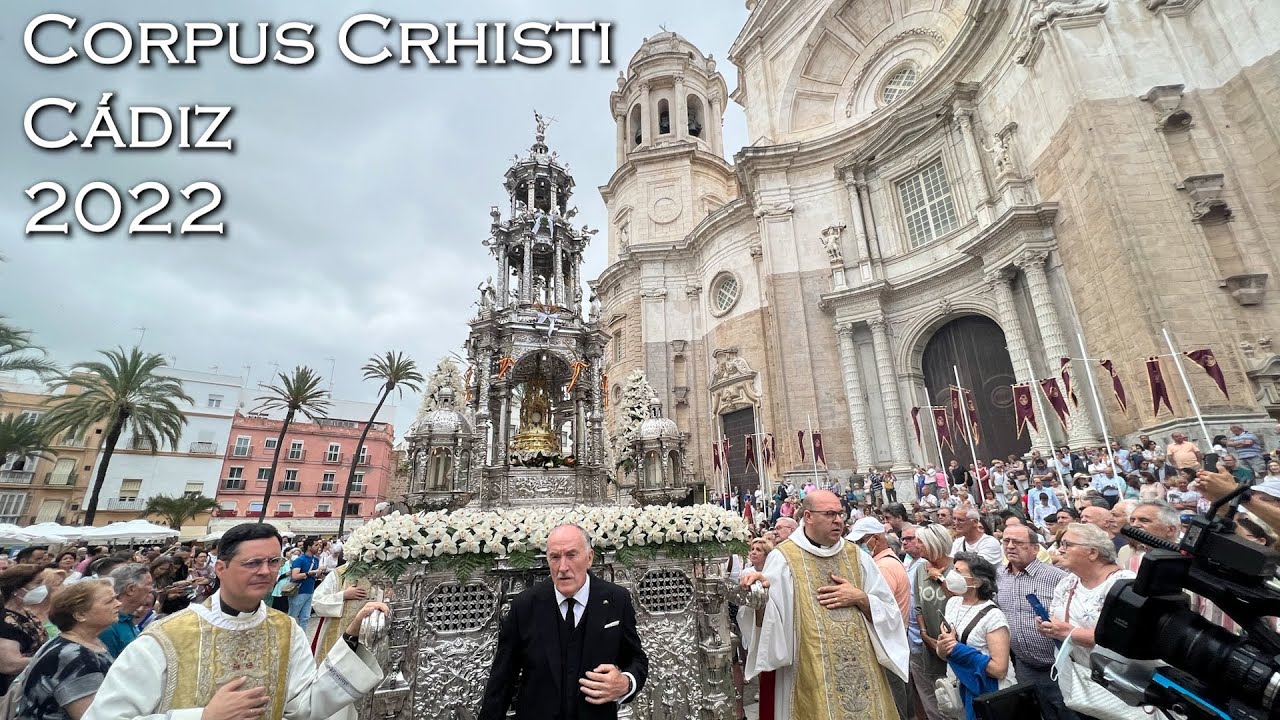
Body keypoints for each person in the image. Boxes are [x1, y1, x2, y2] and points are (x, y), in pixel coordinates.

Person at [83, 522, 388, 720]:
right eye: (253, 563)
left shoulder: (285, 630)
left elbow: (303, 707)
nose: (266, 571)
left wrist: (351, 634)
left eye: (273, 562)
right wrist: (202, 717)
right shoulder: (167, 638)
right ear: (221, 568)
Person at [738, 490, 907, 720]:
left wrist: (860, 598)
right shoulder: (785, 558)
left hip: (863, 674)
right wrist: (760, 596)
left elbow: (890, 612)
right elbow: (772, 625)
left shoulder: (856, 556)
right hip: (810, 673)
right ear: (807, 516)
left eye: (840, 514)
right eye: (829, 514)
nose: (838, 520)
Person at [479, 524, 647, 720]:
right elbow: (501, 682)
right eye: (555, 557)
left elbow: (636, 659)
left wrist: (626, 683)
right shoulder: (524, 606)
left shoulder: (617, 599)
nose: (563, 567)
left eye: (571, 555)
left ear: (589, 557)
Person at [18, 580, 119, 720]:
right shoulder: (74, 656)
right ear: (80, 615)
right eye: (109, 601)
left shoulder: (85, 643)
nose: (118, 604)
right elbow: (91, 716)